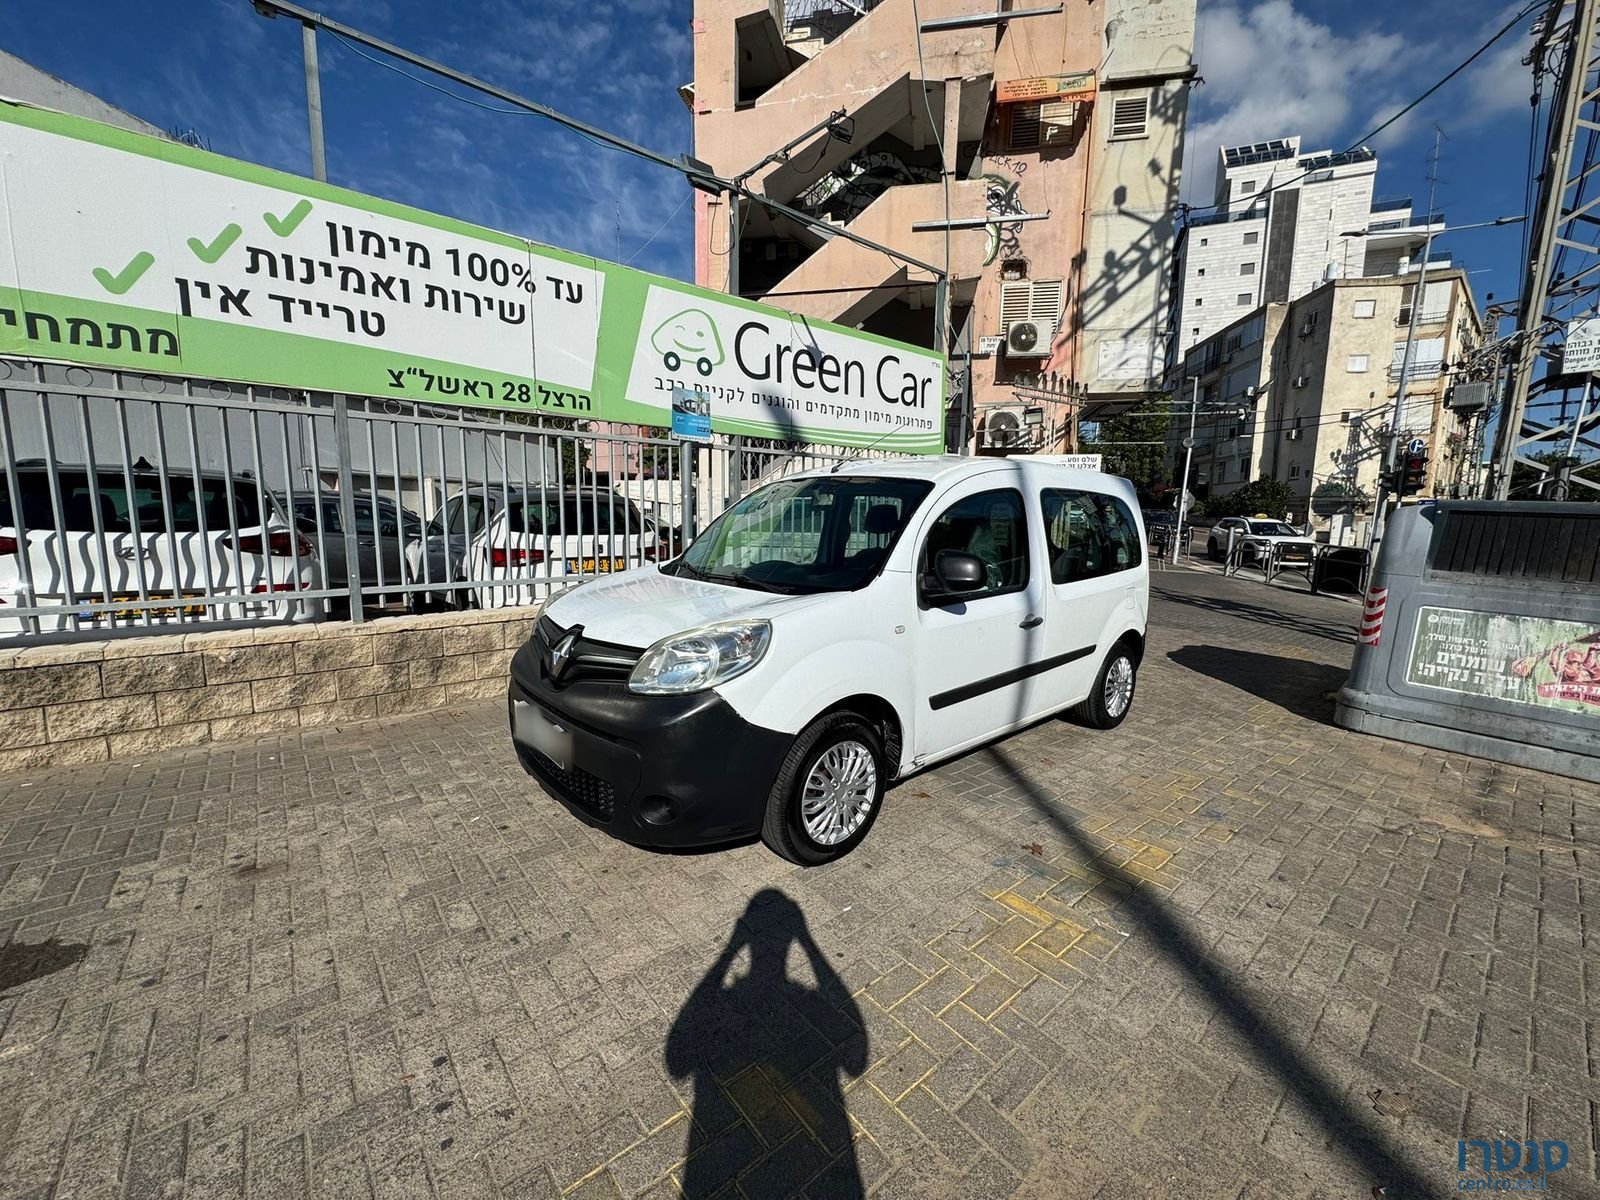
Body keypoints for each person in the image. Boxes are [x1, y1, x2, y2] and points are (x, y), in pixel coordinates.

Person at [666, 889, 867, 1198]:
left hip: (717, 1155)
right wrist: (809, 944)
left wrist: (732, 949)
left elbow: (677, 1061)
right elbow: (855, 1059)